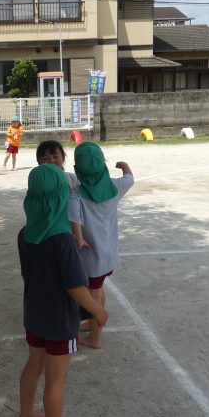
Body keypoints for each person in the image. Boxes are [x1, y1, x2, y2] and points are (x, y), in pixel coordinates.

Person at [17, 164, 108, 417]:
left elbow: (28, 274)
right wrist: (97, 310)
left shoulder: (25, 234)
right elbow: (75, 287)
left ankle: (25, 415)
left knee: (33, 365)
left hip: (34, 314)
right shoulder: (64, 240)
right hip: (59, 321)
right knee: (56, 380)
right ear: (61, 199)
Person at [69, 142, 134, 349]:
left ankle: (95, 338)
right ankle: (91, 324)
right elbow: (129, 179)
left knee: (94, 294)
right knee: (98, 288)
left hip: (90, 258)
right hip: (107, 255)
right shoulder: (115, 187)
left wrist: (79, 238)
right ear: (104, 165)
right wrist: (123, 165)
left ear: (77, 170)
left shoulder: (76, 195)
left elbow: (74, 219)